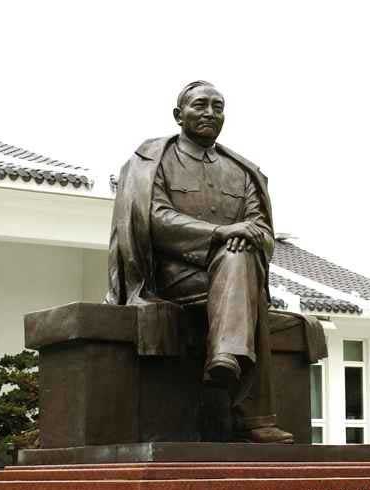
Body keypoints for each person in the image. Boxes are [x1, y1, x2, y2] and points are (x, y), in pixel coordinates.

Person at [105, 80, 293, 443]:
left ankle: (225, 357)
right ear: (179, 115)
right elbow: (153, 219)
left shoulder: (243, 172)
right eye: (200, 105)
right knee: (241, 267)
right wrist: (219, 233)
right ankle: (253, 414)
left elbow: (263, 232)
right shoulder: (153, 163)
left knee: (240, 259)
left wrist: (244, 238)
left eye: (217, 107)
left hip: (234, 273)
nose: (210, 113)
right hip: (174, 277)